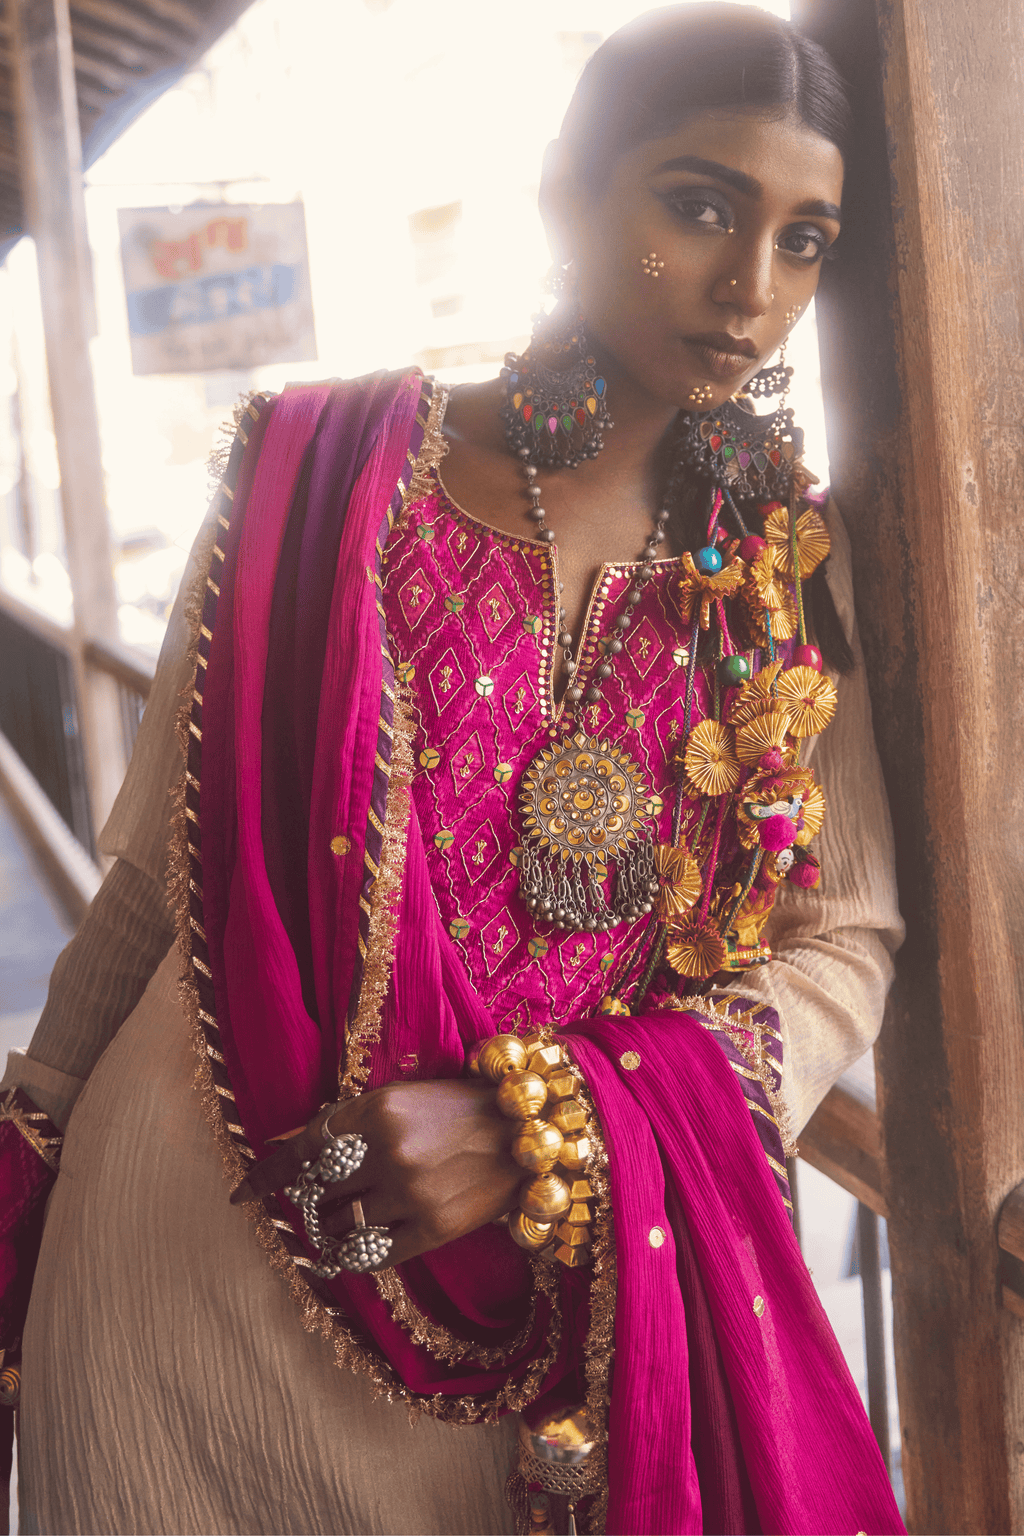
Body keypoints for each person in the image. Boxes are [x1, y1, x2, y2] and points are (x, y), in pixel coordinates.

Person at [0, 6, 905, 1533]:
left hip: (547, 1312)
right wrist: (27, 1159)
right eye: (698, 206)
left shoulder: (790, 574)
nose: (753, 289)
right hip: (180, 1274)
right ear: (565, 191)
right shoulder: (317, 472)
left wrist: (532, 1121)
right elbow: (159, 883)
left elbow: (843, 944)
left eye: (805, 239)